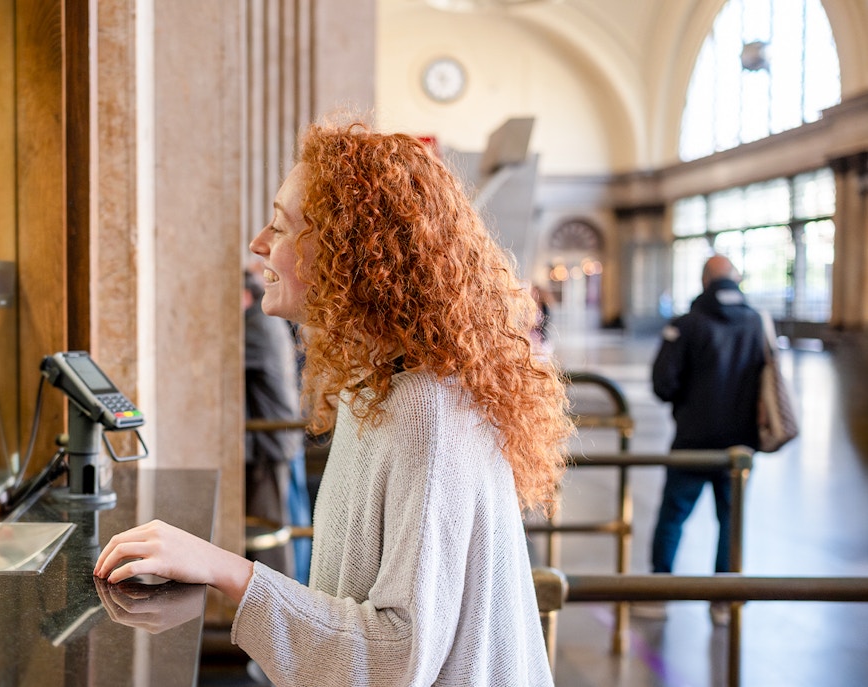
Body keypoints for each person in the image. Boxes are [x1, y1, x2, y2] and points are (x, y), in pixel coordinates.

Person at [95, 121, 572, 686]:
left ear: (352, 253)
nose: (258, 243)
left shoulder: (427, 411)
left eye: (281, 225)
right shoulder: (379, 383)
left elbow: (397, 659)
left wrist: (224, 570)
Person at [645, 254, 766, 625]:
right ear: (735, 279)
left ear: (704, 281)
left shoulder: (687, 324)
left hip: (693, 441)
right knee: (731, 520)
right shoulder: (756, 322)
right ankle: (723, 602)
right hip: (741, 446)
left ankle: (658, 594)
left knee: (673, 515)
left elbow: (663, 384)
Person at [242, 269, 309, 583]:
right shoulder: (262, 319)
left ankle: (280, 612)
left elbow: (218, 362)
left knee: (271, 535)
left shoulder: (255, 324)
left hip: (271, 444)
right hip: (279, 438)